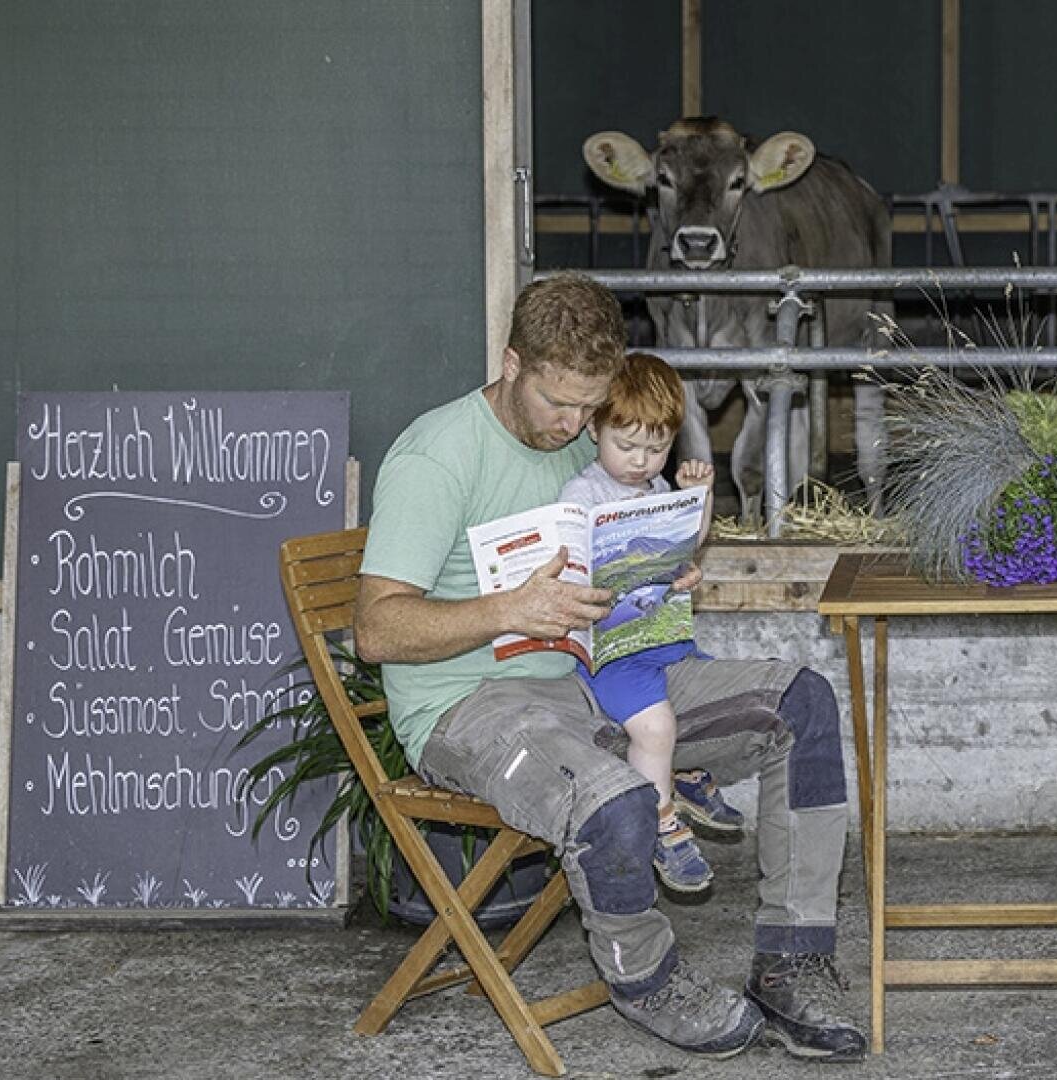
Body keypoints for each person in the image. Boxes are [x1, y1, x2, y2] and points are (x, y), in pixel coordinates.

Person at [354, 273, 864, 1062]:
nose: (573, 425)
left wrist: (661, 566)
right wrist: (506, 611)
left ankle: (792, 962)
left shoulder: (593, 440)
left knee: (800, 704)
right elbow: (376, 631)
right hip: (474, 704)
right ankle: (649, 978)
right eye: (557, 402)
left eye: (591, 408)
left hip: (605, 669)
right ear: (511, 362)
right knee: (615, 793)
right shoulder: (436, 456)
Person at [556, 351, 746, 894]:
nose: (641, 461)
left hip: (659, 636)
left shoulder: (658, 490)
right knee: (657, 726)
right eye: (627, 445)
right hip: (613, 652)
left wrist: (697, 501)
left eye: (657, 448)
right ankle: (662, 824)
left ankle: (682, 777)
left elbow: (687, 548)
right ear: (595, 429)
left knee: (714, 701)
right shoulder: (584, 494)